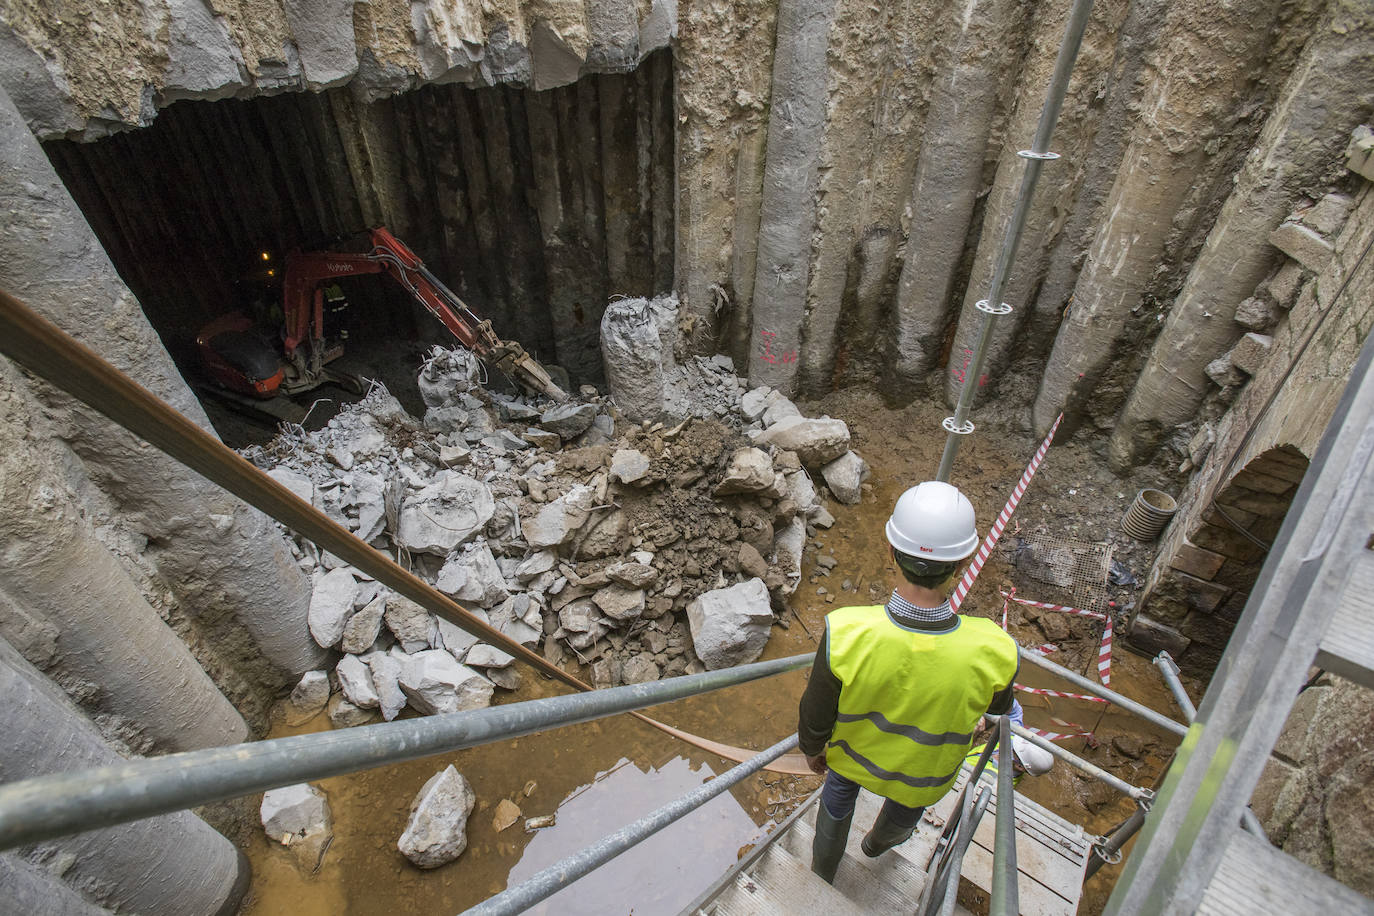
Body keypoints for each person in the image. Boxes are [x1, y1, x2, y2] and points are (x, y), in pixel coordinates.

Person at [797, 480, 1020, 883]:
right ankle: (874, 847)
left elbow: (815, 712)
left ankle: (822, 870)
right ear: (965, 560)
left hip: (852, 759)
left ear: (890, 551)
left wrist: (813, 749)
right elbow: (1000, 711)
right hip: (925, 774)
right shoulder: (996, 648)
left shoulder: (846, 632)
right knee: (904, 813)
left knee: (837, 799)